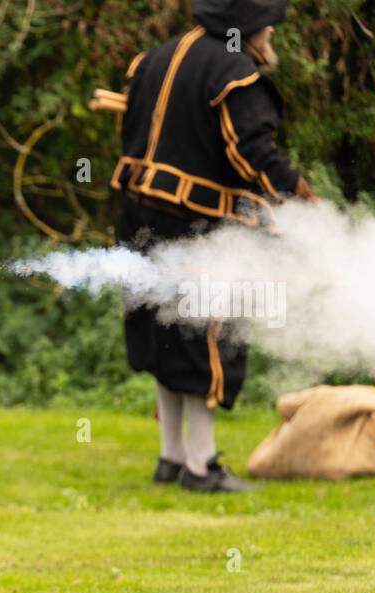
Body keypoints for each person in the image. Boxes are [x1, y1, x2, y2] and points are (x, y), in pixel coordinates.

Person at [113, 0, 315, 492]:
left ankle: (172, 458)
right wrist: (297, 194)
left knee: (165, 334)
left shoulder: (154, 57)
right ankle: (202, 467)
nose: (270, 34)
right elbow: (250, 152)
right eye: (266, 25)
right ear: (246, 25)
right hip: (193, 222)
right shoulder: (234, 72)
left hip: (137, 214)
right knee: (206, 338)